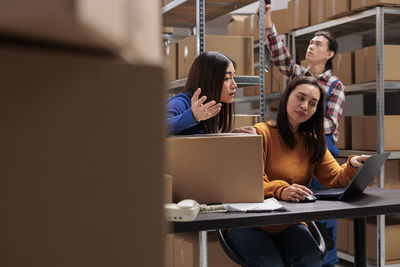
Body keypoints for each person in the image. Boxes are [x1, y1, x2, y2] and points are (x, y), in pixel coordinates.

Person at [228, 77, 369, 267]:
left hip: (287, 222)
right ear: (287, 98)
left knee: (312, 257)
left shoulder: (312, 141)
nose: (304, 106)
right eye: (300, 98)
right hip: (248, 222)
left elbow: (335, 178)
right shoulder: (261, 133)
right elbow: (250, 184)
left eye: (312, 103)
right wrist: (281, 190)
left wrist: (353, 164)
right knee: (269, 262)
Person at [261, 3, 345, 265]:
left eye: (318, 44)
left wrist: (304, 125)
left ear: (330, 53)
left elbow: (330, 122)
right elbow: (280, 57)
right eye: (310, 42)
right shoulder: (299, 74)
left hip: (323, 149)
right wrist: (268, 26)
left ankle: (326, 262)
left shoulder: (335, 85)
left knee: (325, 216)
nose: (311, 46)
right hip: (295, 146)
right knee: (297, 210)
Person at [166, 51, 237, 135]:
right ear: (208, 80)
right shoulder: (180, 102)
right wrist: (192, 116)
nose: (234, 85)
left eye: (234, 78)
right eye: (227, 78)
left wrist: (233, 135)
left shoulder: (211, 107)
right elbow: (155, 128)